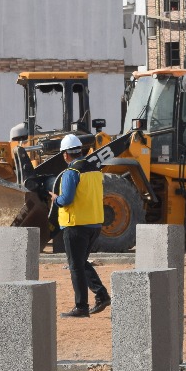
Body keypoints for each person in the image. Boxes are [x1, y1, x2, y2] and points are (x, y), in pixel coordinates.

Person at [51, 134, 111, 318]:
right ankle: (101, 295)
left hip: (76, 224)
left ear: (65, 155)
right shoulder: (95, 170)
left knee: (75, 266)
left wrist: (56, 199)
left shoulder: (71, 173)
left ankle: (81, 307)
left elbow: (66, 199)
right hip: (94, 224)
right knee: (81, 263)